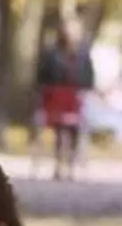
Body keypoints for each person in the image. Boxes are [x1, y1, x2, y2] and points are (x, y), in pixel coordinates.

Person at [36, 24, 96, 181]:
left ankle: (70, 165)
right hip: (57, 96)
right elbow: (43, 76)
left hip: (75, 97)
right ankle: (58, 166)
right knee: (60, 131)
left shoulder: (83, 55)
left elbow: (89, 76)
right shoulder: (52, 54)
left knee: (74, 130)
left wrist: (85, 90)